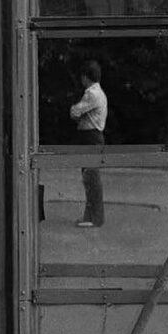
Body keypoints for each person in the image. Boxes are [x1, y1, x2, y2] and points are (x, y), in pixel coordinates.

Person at [69, 59, 107, 227]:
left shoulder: (92, 93)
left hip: (91, 137)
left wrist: (74, 111)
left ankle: (94, 218)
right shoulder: (98, 92)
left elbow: (75, 111)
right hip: (91, 137)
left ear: (86, 77)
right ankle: (90, 217)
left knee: (91, 178)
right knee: (90, 178)